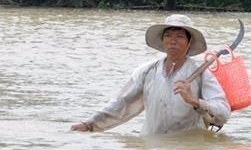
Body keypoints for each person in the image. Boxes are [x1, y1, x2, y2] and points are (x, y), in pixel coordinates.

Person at [70, 14, 231, 135]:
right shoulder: (147, 71)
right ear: (162, 40)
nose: (173, 41)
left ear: (189, 43)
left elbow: (223, 113)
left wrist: (194, 101)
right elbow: (122, 104)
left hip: (185, 146)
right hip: (153, 144)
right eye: (168, 36)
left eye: (180, 37)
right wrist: (90, 124)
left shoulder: (201, 75)